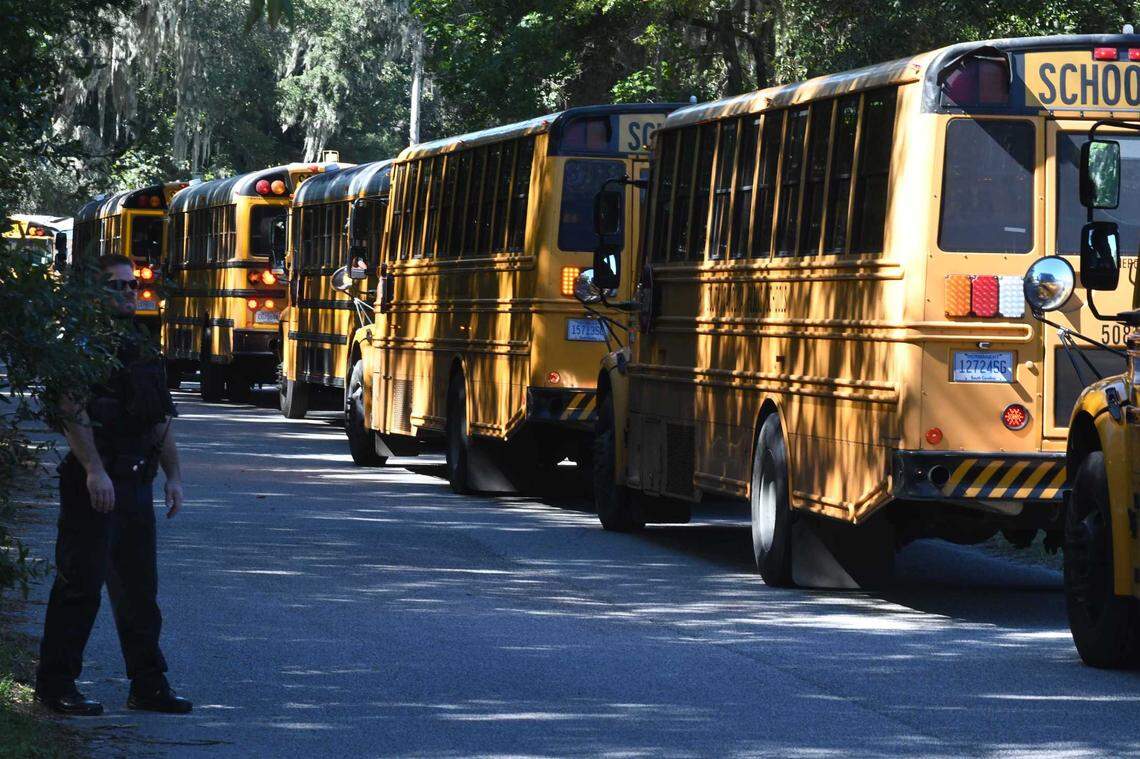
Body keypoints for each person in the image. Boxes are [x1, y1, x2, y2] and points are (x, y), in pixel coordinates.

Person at [34, 254, 192, 716]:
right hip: (95, 484)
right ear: (92, 292)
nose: (128, 294)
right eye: (116, 286)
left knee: (139, 592)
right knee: (80, 587)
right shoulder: (80, 344)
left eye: (131, 286)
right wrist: (94, 470)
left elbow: (160, 418)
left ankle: (148, 685)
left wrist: (175, 477)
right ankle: (56, 684)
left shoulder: (141, 343)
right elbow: (71, 410)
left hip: (136, 481)